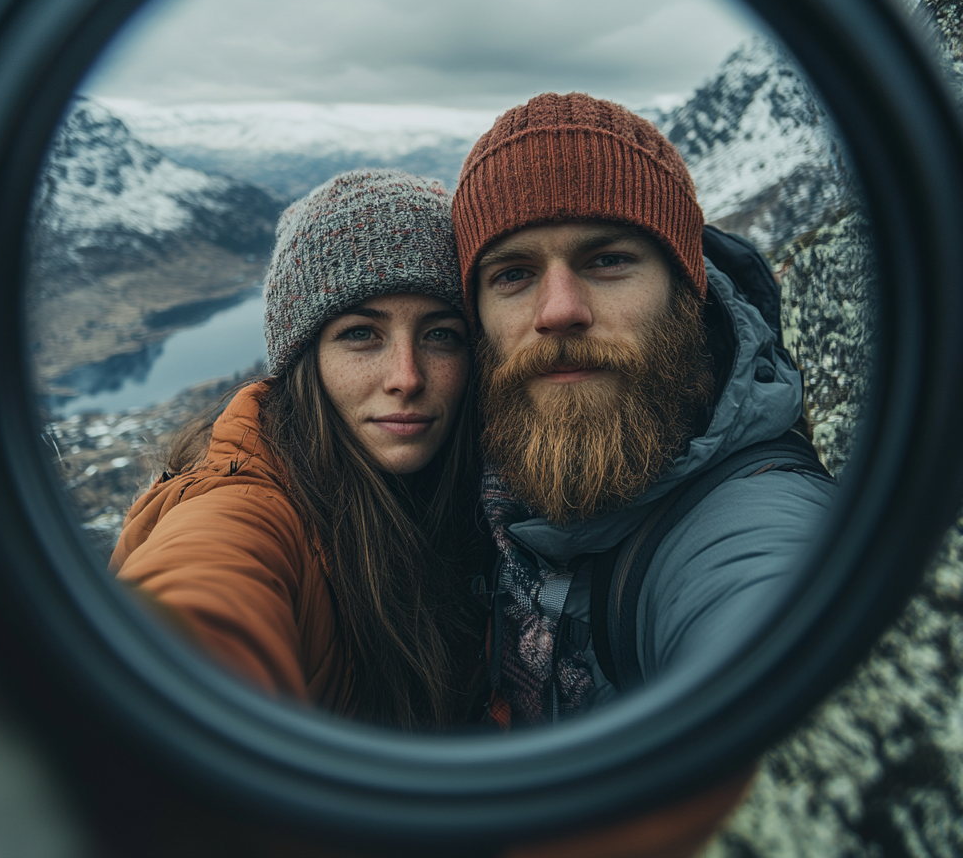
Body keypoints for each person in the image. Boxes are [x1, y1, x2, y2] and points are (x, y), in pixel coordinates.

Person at [452, 92, 839, 727]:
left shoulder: (760, 528)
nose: (558, 310)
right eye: (513, 275)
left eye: (607, 260)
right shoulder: (480, 466)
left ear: (687, 292)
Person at [110, 170, 485, 730]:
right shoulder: (246, 510)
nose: (406, 377)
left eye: (441, 335)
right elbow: (193, 618)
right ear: (303, 361)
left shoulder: (489, 499)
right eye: (361, 333)